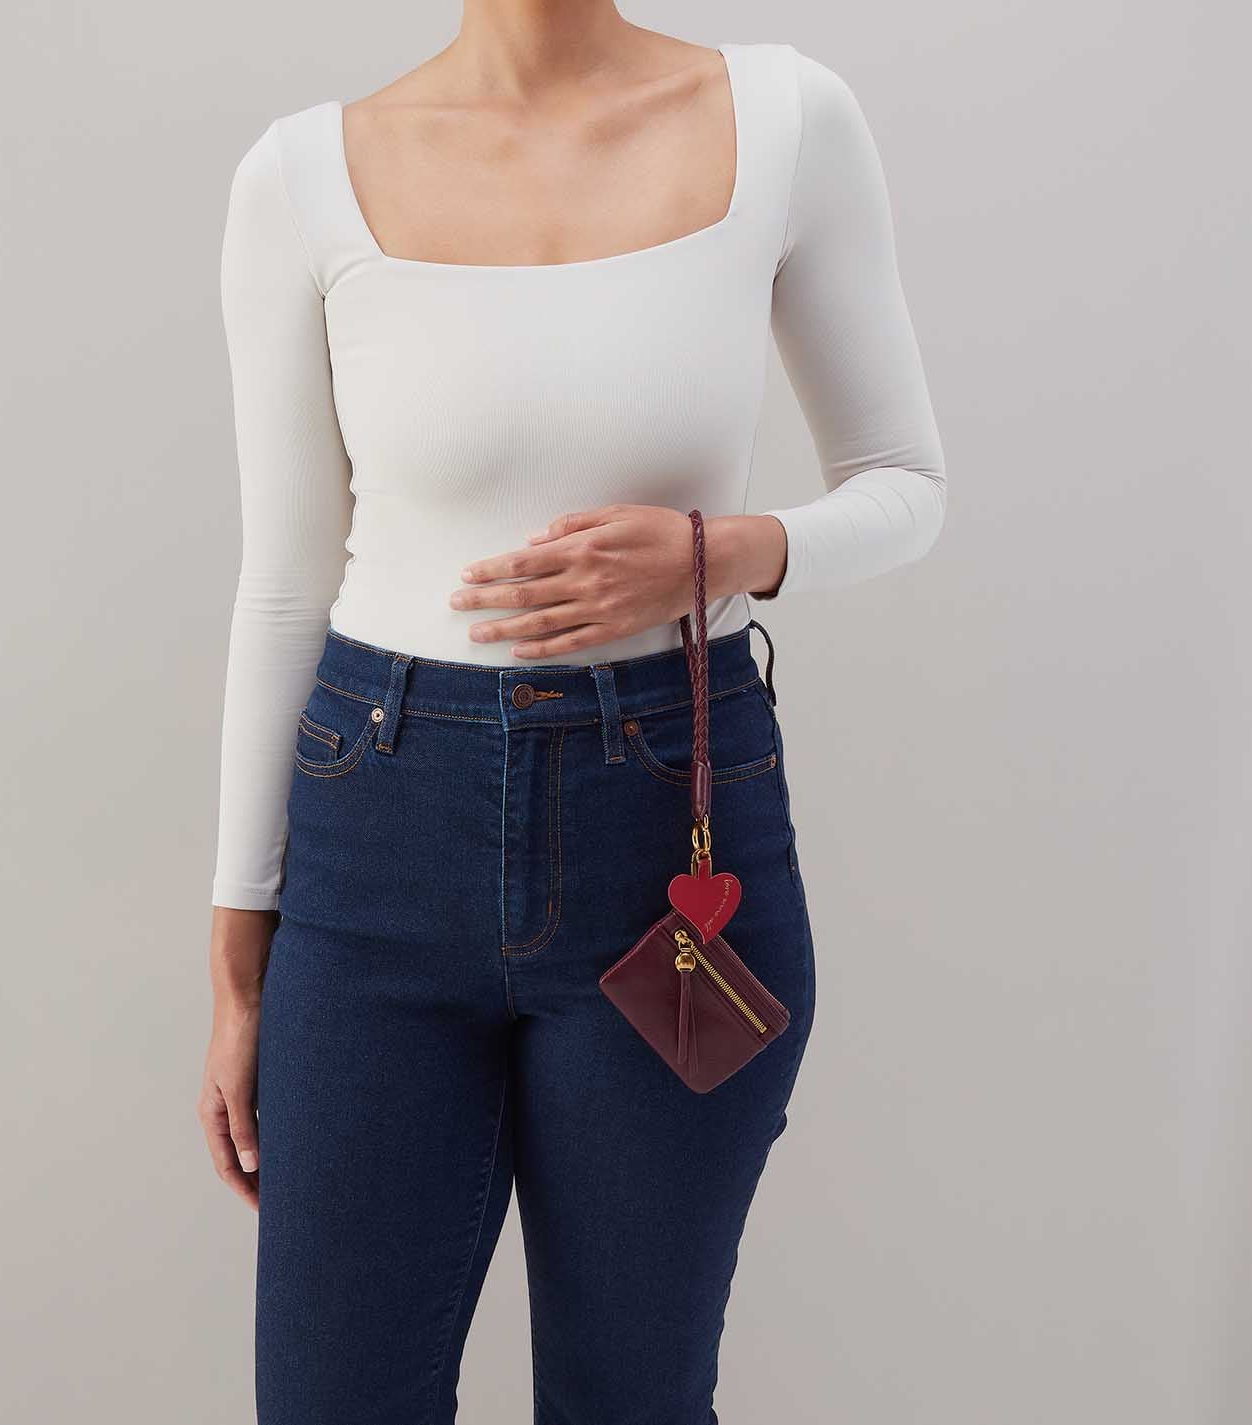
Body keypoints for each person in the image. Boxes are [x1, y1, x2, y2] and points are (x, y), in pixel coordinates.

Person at [199, 7, 946, 1422]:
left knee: (630, 1398)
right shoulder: (300, 177)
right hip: (375, 826)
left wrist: (719, 550)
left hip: (665, 818)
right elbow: (284, 587)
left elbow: (904, 481)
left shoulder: (784, 119)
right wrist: (240, 968)